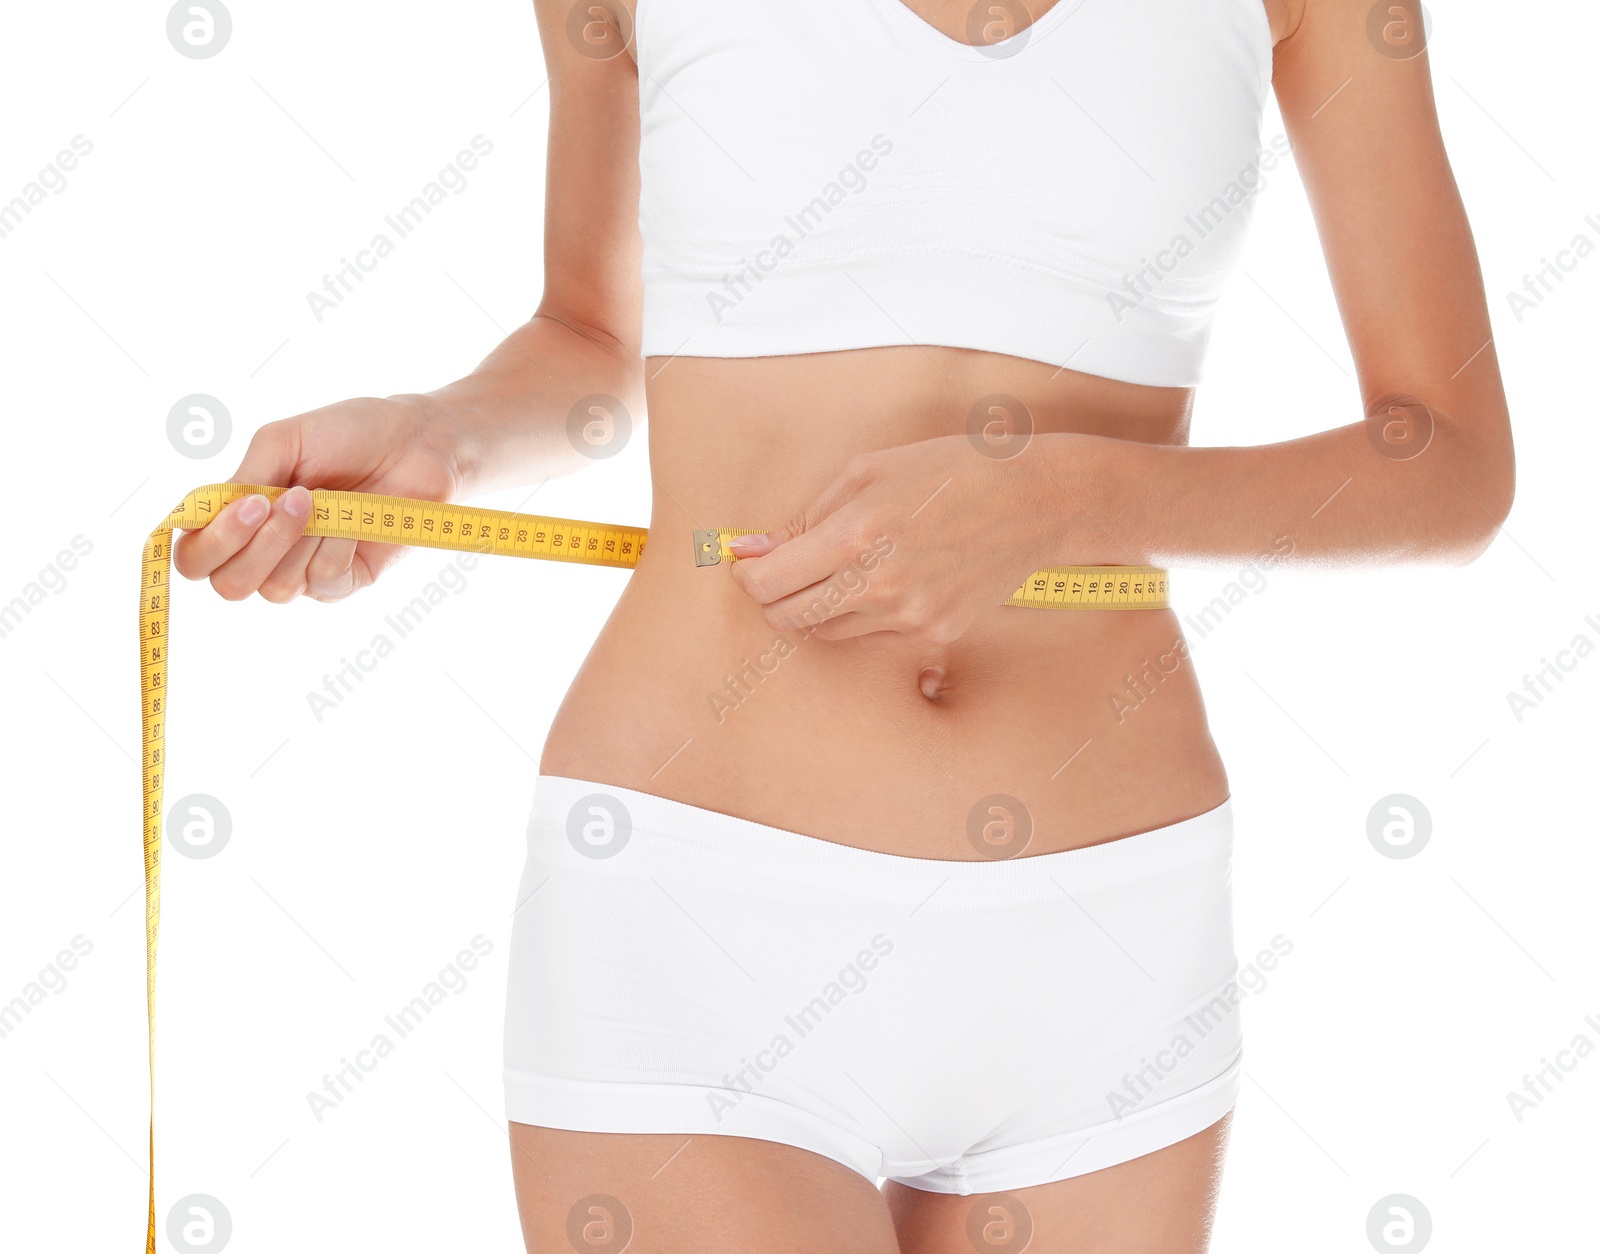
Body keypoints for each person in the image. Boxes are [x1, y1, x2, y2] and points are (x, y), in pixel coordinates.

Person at [173, 0, 1514, 1249]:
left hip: (1108, 937)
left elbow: (1450, 460)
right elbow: (590, 331)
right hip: (698, 912)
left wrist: (1069, 493)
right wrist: (440, 440)